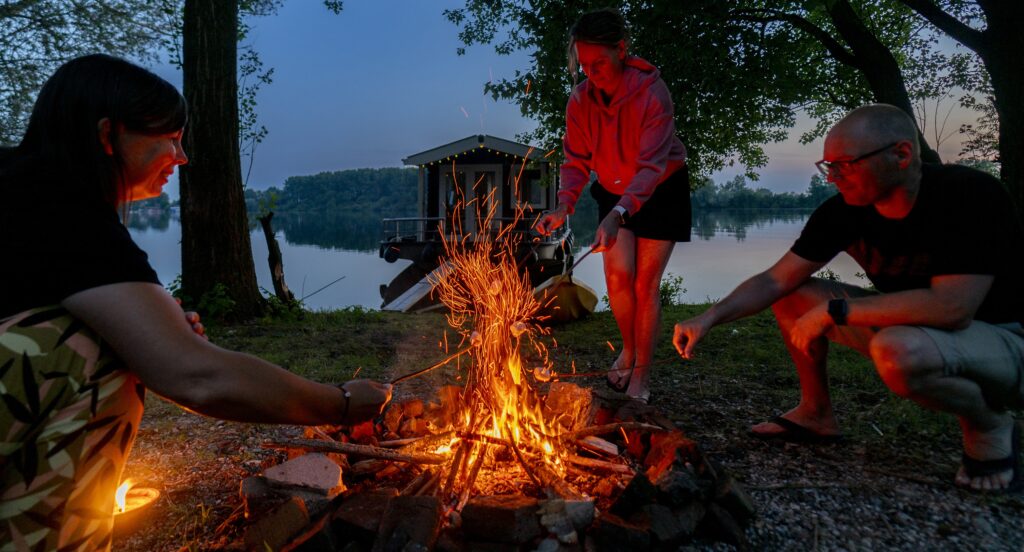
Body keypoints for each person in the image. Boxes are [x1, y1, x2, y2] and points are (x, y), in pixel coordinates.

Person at [0, 54, 392, 550]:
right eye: (170, 138)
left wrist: (151, 323)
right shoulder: (60, 209)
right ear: (107, 135)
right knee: (96, 352)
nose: (182, 156)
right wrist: (338, 403)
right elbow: (197, 376)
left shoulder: (27, 189)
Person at [673, 104, 1024, 493]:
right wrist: (707, 317)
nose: (834, 177)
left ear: (902, 154)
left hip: (1006, 338)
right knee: (796, 295)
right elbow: (775, 280)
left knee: (899, 350)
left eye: (846, 164)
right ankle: (815, 413)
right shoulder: (844, 211)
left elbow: (953, 308)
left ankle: (990, 425)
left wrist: (837, 309)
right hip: (926, 332)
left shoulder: (969, 195)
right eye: (828, 166)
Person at [535, 9, 691, 403]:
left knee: (644, 284)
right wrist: (563, 205)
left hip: (660, 186)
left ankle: (641, 376)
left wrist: (619, 214)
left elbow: (651, 166)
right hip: (611, 189)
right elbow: (575, 160)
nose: (591, 72)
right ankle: (629, 348)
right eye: (584, 65)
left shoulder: (653, 94)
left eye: (599, 62)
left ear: (621, 50)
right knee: (619, 279)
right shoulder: (581, 100)